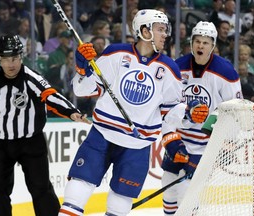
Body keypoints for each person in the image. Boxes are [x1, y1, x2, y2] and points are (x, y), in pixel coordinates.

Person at [58, 9, 208, 216]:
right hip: (103, 134)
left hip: (138, 145)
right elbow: (82, 90)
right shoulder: (116, 54)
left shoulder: (169, 68)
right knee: (78, 190)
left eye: (166, 30)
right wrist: (83, 70)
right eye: (160, 29)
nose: (166, 34)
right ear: (145, 31)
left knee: (120, 204)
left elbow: (170, 111)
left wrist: (188, 114)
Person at [0, 34, 91, 216]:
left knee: (41, 189)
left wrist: (71, 112)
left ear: (22, 56)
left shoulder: (31, 78)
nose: (11, 64)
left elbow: (52, 96)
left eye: (15, 58)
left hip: (31, 143)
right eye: (6, 59)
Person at [161, 21, 243, 215]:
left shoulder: (226, 72)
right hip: (179, 139)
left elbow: (236, 110)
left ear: (213, 45)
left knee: (187, 191)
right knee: (169, 185)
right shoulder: (177, 67)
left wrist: (227, 142)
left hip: (206, 144)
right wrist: (170, 137)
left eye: (205, 42)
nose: (200, 46)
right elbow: (167, 106)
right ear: (191, 43)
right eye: (197, 41)